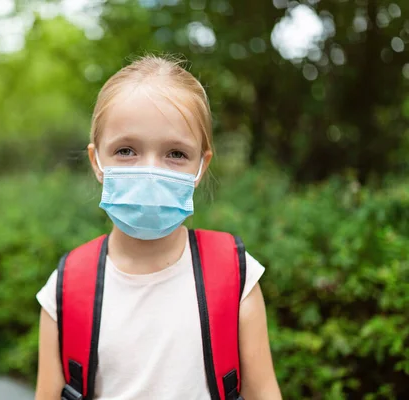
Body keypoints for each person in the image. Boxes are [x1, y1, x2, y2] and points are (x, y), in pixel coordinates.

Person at [35, 55, 282, 400]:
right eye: (126, 150)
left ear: (201, 165)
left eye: (176, 154)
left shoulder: (237, 277)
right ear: (97, 162)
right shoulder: (64, 288)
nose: (150, 171)